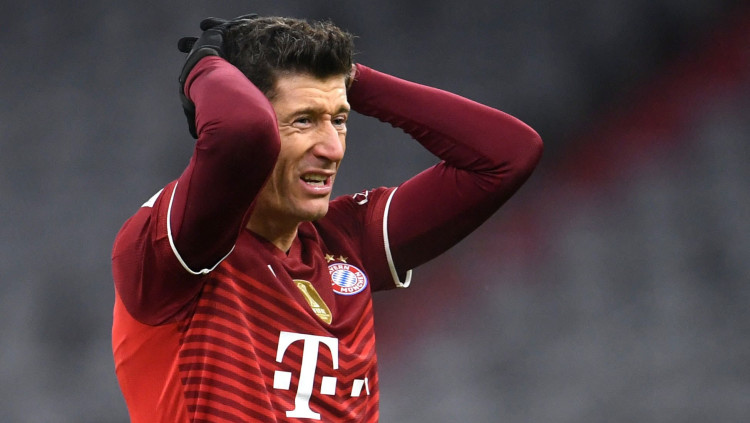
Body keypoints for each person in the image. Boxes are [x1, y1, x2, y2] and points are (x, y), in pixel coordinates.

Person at [111, 14, 542, 422]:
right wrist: (202, 67)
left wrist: (350, 80)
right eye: (304, 121)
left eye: (339, 120)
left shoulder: (345, 240)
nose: (332, 148)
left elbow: (507, 156)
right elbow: (244, 129)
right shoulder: (177, 247)